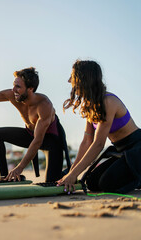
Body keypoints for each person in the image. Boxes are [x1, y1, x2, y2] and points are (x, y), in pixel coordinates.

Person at [57, 60, 141, 194]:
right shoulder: (90, 105)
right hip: (122, 152)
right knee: (92, 182)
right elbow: (86, 142)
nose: (69, 81)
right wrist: (72, 172)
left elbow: (98, 144)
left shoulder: (108, 102)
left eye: (72, 77)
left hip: (137, 149)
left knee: (107, 184)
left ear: (83, 79)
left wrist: (73, 175)